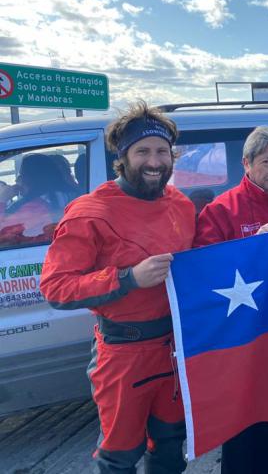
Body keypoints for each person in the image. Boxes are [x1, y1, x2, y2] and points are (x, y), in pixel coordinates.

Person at [39, 102, 196, 474]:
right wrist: (128, 278)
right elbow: (56, 287)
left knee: (172, 445)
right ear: (122, 158)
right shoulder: (90, 212)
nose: (154, 161)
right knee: (120, 456)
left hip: (174, 350)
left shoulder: (181, 205)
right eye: (142, 151)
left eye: (161, 151)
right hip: (123, 354)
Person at [194, 126, 268, 474]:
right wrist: (252, 245)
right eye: (267, 161)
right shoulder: (221, 210)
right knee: (240, 419)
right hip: (238, 337)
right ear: (246, 163)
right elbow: (203, 268)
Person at [0, 153, 80, 246]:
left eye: (21, 175)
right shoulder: (69, 194)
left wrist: (3, 199)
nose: (17, 180)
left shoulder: (36, 207)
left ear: (32, 178)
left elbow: (3, 232)